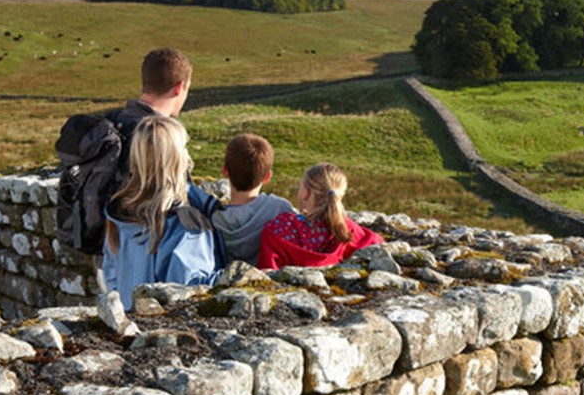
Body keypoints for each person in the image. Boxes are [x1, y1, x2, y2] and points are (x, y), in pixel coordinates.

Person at [54, 47, 194, 256]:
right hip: (138, 250)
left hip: (101, 244)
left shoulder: (109, 125)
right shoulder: (159, 138)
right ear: (179, 88)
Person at [102, 116, 224, 306]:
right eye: (184, 147)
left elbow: (111, 274)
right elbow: (190, 289)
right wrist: (233, 279)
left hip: (130, 322)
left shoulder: (120, 210)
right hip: (170, 329)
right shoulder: (185, 223)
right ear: (176, 158)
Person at [256, 162, 383, 271]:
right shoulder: (345, 228)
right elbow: (377, 244)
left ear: (306, 193)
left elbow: (267, 271)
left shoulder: (280, 228)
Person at [213, 133, 295, 264]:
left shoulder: (213, 217)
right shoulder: (280, 208)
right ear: (267, 176)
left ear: (225, 171)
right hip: (269, 279)